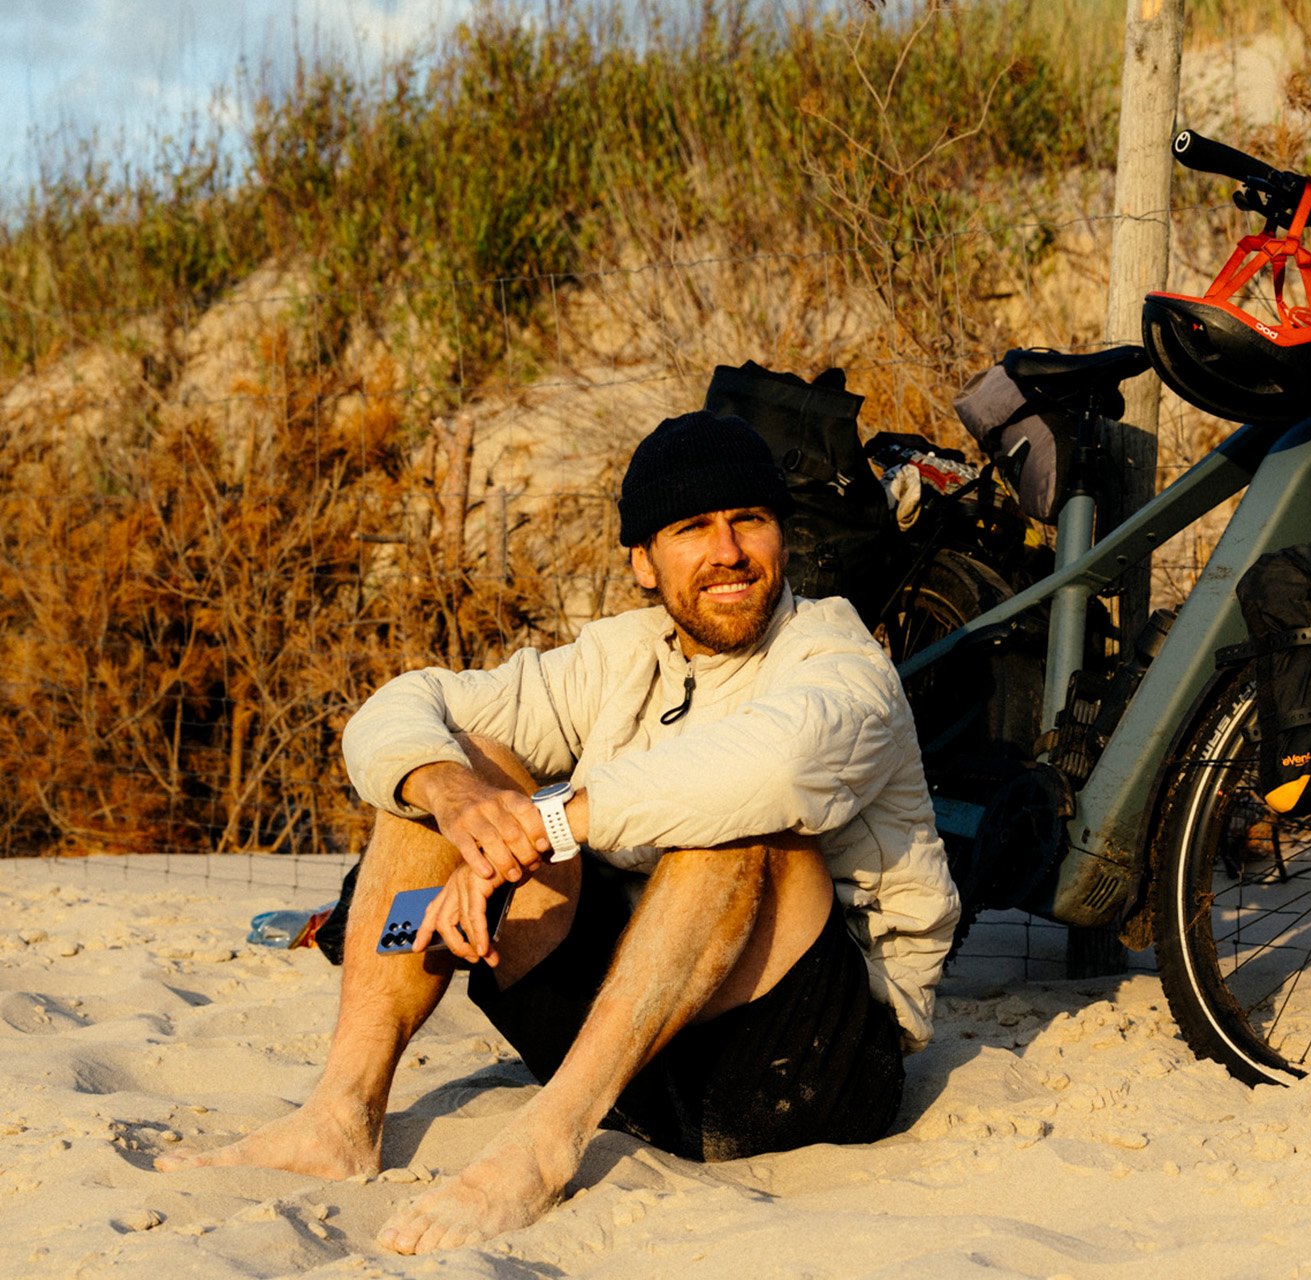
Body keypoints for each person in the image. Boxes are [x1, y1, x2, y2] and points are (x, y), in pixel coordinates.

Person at [158, 411, 960, 1255]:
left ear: (780, 539)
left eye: (748, 521)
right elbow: (395, 708)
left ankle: (540, 1150)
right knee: (452, 765)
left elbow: (776, 769)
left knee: (740, 829)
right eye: (692, 529)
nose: (727, 551)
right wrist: (457, 797)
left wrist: (545, 823)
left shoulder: (836, 655)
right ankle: (340, 1116)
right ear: (643, 564)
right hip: (636, 1044)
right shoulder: (618, 656)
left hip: (807, 1069)